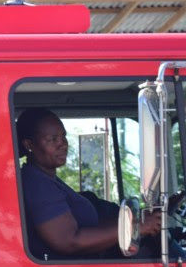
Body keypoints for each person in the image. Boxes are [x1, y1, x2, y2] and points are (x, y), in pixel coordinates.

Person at [17, 108, 160, 259]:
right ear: (29, 145)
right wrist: (134, 228)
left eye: (63, 136)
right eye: (52, 139)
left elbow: (91, 225)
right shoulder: (37, 184)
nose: (62, 144)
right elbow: (69, 241)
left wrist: (136, 221)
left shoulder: (47, 179)